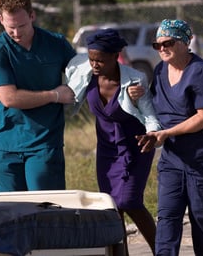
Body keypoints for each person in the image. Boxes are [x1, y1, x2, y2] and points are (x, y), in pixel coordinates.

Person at [133, 19, 203, 256]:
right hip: (174, 157)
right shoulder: (160, 70)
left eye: (167, 43)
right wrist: (136, 97)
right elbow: (155, 108)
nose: (162, 49)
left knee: (202, 222)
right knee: (167, 217)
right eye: (157, 45)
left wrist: (166, 133)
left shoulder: (200, 71)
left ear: (185, 42)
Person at [66, 28, 161, 255]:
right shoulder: (84, 71)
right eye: (91, 59)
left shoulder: (134, 79)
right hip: (107, 150)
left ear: (114, 56)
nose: (94, 65)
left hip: (137, 146)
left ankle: (162, 251)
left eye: (100, 60)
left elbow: (149, 115)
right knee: (111, 208)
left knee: (130, 202)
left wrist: (153, 134)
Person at [0, 0, 76, 192]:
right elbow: (9, 98)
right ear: (0, 20)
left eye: (22, 25)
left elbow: (83, 75)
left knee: (47, 211)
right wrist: (55, 95)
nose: (16, 33)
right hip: (6, 145)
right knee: (12, 215)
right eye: (10, 27)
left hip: (44, 143)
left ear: (32, 16)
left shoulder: (56, 43)